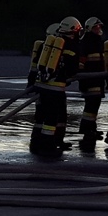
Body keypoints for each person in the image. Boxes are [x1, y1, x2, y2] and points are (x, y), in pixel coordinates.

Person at [29, 16, 82, 157]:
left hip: (41, 86)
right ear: (74, 31)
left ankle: (36, 142)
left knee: (41, 116)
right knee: (52, 118)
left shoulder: (48, 44)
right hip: (56, 88)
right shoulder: (72, 46)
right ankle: (47, 146)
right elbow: (72, 69)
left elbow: (36, 62)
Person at [77, 16, 107, 152]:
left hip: (97, 78)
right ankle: (87, 129)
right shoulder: (86, 42)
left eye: (99, 27)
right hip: (90, 79)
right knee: (91, 105)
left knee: (94, 104)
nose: (98, 29)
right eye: (96, 27)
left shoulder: (96, 41)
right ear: (89, 29)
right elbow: (81, 63)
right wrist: (83, 80)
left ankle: (91, 128)